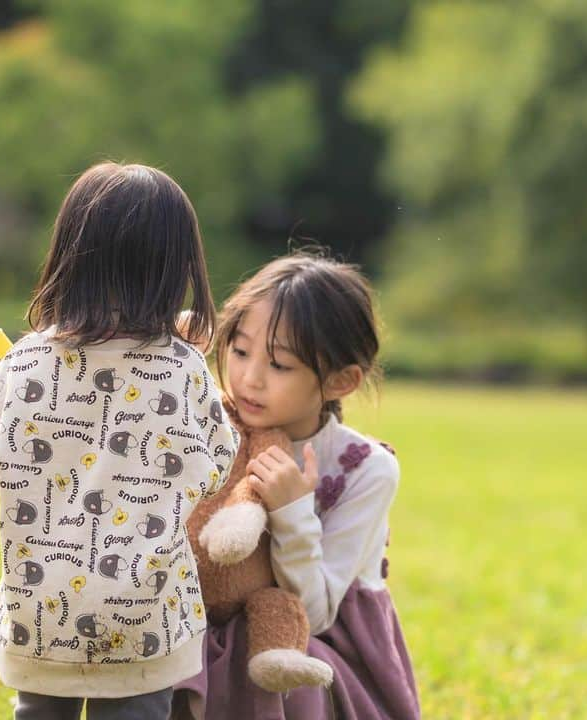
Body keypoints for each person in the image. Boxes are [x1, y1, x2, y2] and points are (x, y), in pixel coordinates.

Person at [0, 162, 239, 720]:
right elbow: (215, 465)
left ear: (69, 255)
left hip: (40, 610)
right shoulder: (181, 370)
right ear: (172, 267)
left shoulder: (28, 359)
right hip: (145, 615)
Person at [173, 252, 420, 719]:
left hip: (315, 647)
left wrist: (292, 511)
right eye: (240, 351)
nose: (249, 379)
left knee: (279, 676)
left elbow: (317, 613)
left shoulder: (366, 469)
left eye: (280, 365)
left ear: (340, 381)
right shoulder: (209, 424)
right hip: (207, 623)